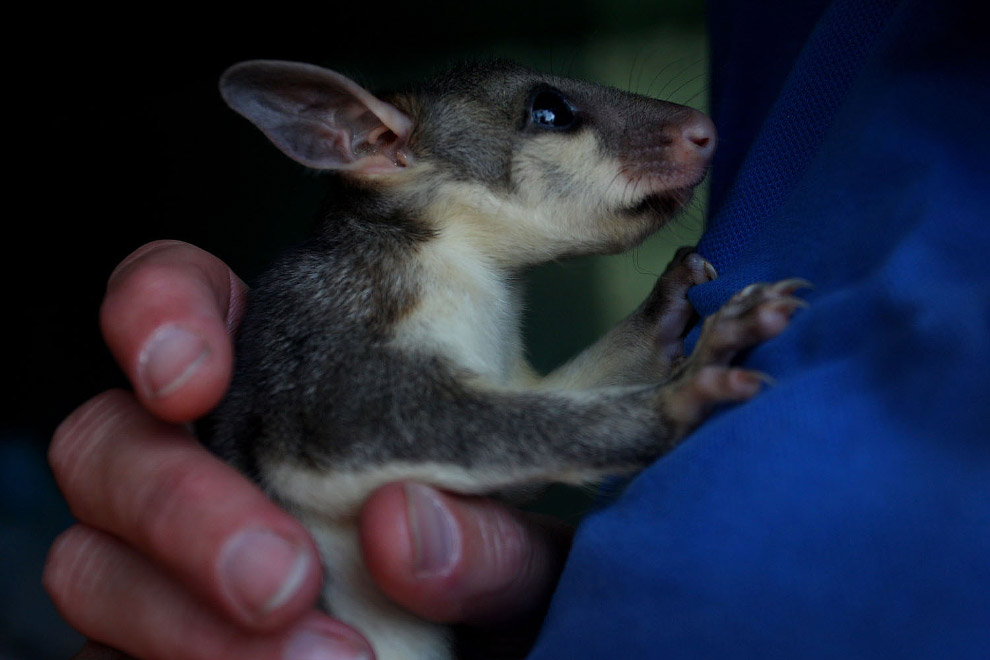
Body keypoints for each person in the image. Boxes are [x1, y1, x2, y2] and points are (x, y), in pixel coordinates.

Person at [45, 0, 990, 658]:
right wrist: (656, 413)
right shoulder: (345, 291)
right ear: (379, 148)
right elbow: (384, 436)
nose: (694, 129)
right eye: (550, 115)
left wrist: (646, 348)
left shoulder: (456, 300)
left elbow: (502, 424)